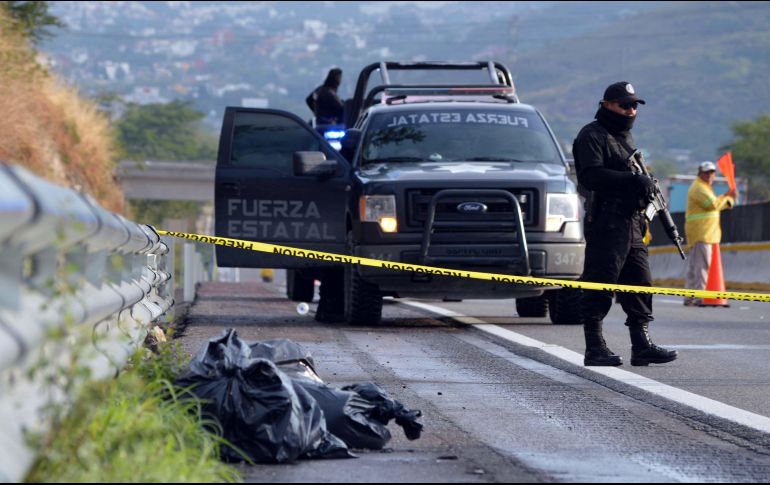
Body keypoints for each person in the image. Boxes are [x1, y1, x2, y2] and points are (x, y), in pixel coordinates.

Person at [573, 81, 678, 367]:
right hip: (606, 221)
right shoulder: (591, 135)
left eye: (634, 105)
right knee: (600, 283)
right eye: (624, 105)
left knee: (640, 283)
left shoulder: (624, 138)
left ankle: (641, 345)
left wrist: (645, 184)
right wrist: (633, 180)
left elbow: (629, 171)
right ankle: (595, 347)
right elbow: (591, 176)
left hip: (632, 223)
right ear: (606, 104)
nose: (631, 110)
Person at [683, 161, 736, 306]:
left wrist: (727, 199)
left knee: (696, 266)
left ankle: (691, 297)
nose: (710, 175)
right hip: (701, 233)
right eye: (707, 172)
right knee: (701, 266)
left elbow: (714, 204)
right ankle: (699, 297)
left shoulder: (704, 187)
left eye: (712, 172)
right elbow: (712, 205)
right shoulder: (699, 187)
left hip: (705, 232)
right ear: (700, 173)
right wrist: (728, 197)